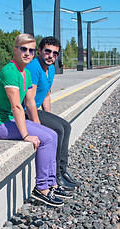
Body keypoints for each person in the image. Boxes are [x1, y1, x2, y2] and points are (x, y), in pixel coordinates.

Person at [0, 33, 72, 207]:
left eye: (31, 50)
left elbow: (31, 100)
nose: (27, 53)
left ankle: (52, 183)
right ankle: (41, 189)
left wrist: (37, 125)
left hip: (11, 120)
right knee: (46, 139)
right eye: (23, 49)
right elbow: (17, 106)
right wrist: (26, 135)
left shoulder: (25, 72)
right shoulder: (9, 71)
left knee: (53, 135)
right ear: (15, 50)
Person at [26, 36, 80, 191]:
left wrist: (50, 117)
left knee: (66, 126)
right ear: (40, 51)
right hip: (26, 112)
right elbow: (29, 102)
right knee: (57, 129)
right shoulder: (33, 68)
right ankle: (55, 176)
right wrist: (40, 125)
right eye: (47, 51)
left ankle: (62, 171)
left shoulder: (50, 68)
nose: (51, 56)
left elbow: (47, 95)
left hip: (35, 110)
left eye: (55, 53)